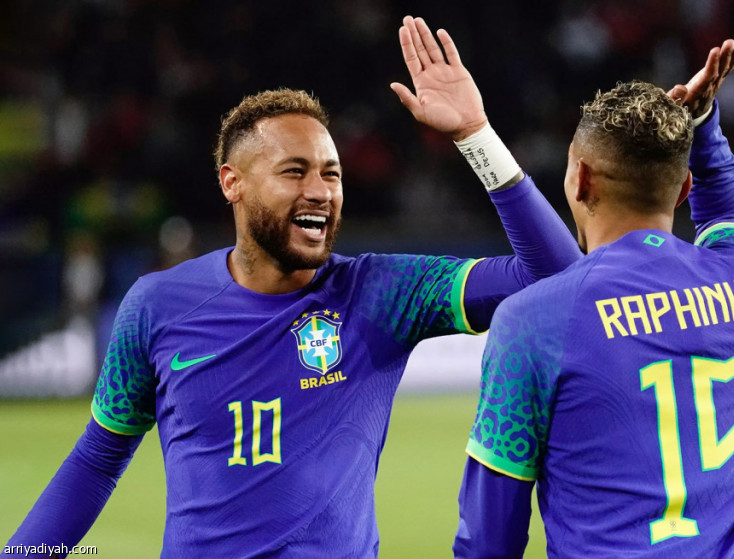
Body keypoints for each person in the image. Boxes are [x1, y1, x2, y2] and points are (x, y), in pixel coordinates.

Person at [4, 16, 581, 558]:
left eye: (331, 173)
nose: (320, 191)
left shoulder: (381, 292)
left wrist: (476, 136)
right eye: (294, 171)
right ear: (232, 183)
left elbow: (556, 274)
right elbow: (96, 461)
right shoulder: (156, 307)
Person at [454, 38, 734, 558]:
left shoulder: (533, 320)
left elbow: (491, 537)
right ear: (683, 190)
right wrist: (702, 124)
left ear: (580, 179)